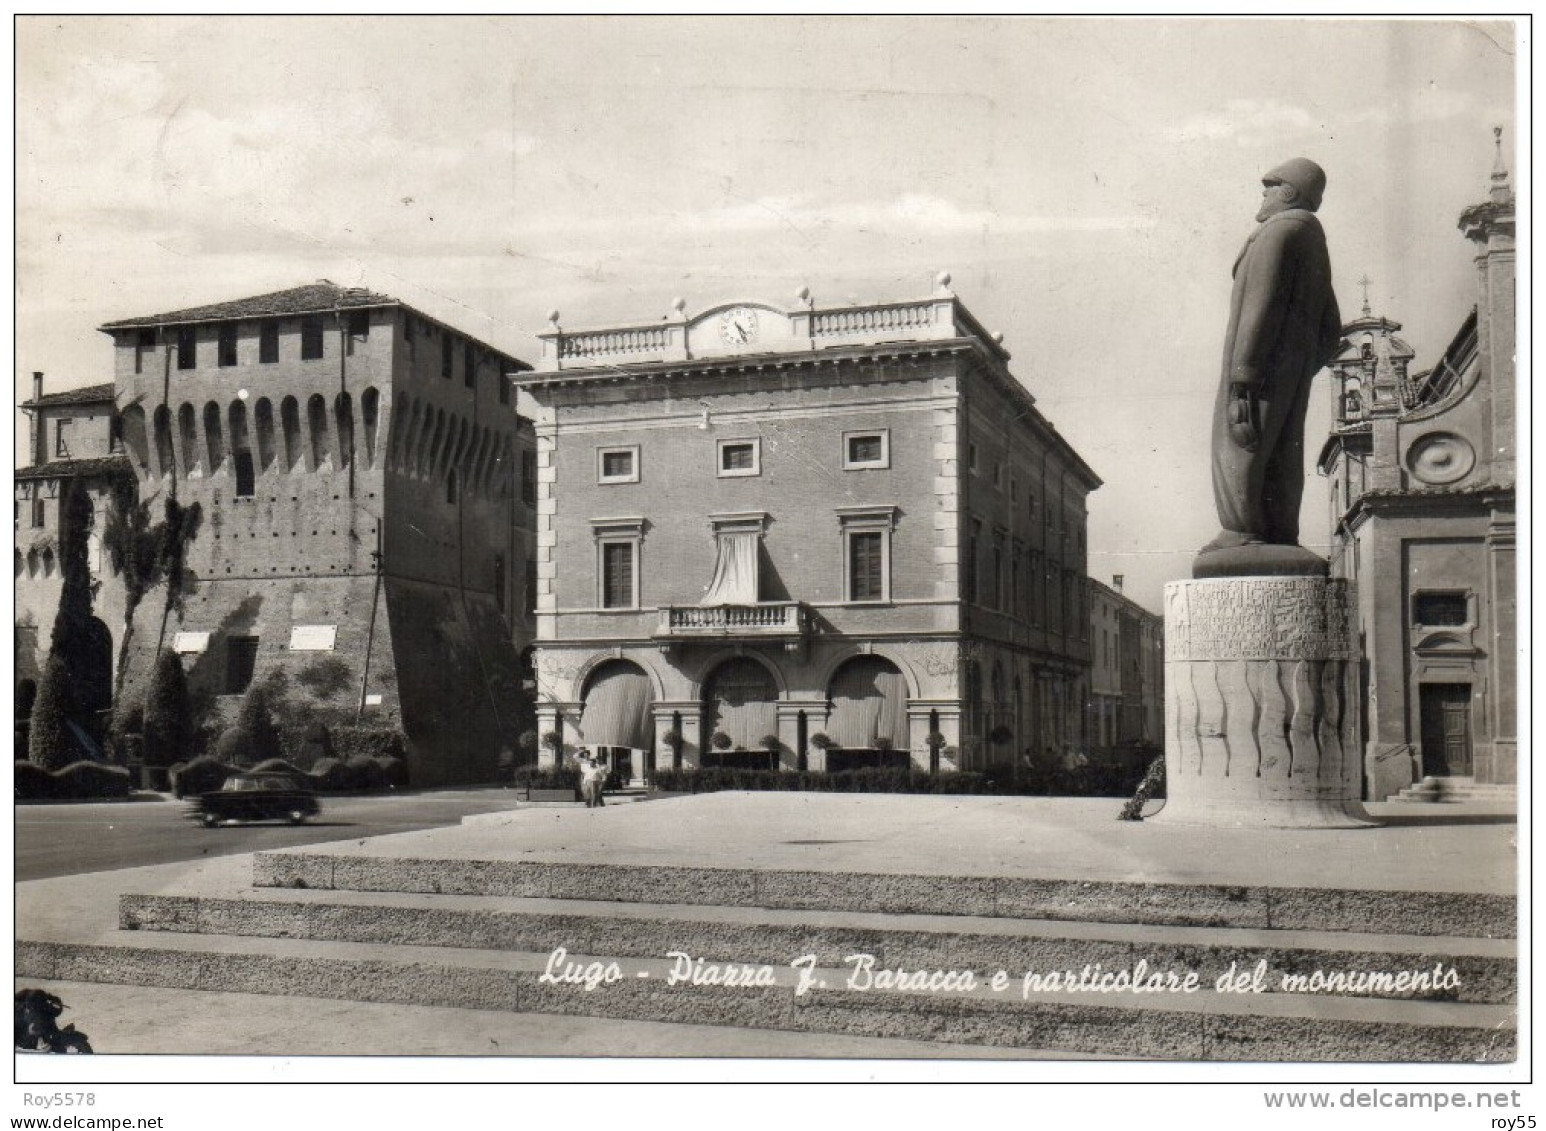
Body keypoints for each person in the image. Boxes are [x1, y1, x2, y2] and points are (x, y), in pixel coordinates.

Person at [1200, 157, 1343, 566]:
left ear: (1288, 192)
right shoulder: (1312, 236)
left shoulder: (1279, 231)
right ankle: (1278, 530)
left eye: (1269, 186)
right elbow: (1331, 325)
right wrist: (1300, 365)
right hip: (1286, 371)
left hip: (1255, 369)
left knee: (1241, 443)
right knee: (1283, 448)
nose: (1262, 195)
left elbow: (1258, 305)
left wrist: (1243, 375)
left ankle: (1241, 529)